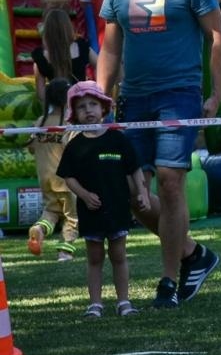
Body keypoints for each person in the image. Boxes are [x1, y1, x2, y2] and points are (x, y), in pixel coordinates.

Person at [97, 0, 221, 309]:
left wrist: (216, 95)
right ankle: (192, 254)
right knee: (133, 194)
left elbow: (217, 37)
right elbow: (111, 47)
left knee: (170, 181)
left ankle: (169, 281)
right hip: (133, 99)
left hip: (180, 94)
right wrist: (101, 99)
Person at [55, 81, 151, 318]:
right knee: (95, 258)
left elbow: (134, 169)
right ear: (74, 114)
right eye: (82, 107)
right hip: (91, 212)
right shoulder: (75, 146)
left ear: (104, 109)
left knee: (118, 256)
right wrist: (85, 196)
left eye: (93, 105)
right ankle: (95, 304)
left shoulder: (118, 139)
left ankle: (124, 302)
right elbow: (68, 177)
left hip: (117, 208)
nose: (88, 110)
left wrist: (142, 192)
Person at [25, 77, 78, 261]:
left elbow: (31, 147)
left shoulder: (40, 122)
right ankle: (65, 251)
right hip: (66, 180)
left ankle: (39, 229)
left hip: (45, 178)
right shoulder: (68, 125)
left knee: (51, 213)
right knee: (72, 217)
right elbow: (75, 151)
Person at [32, 7, 95, 102]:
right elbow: (103, 66)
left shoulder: (41, 57)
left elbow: (41, 93)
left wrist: (52, 108)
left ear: (47, 31)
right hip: (80, 102)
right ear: (68, 28)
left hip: (58, 104)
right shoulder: (81, 47)